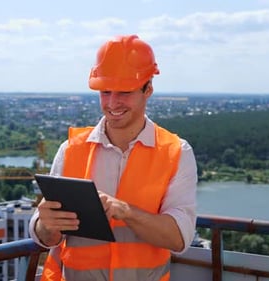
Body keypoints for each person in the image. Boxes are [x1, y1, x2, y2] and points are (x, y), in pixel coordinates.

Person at [29, 34, 197, 281]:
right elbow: (45, 236)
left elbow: (179, 238)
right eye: (105, 91)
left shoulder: (176, 153)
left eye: (124, 92)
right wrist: (45, 225)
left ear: (148, 89)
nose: (112, 103)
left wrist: (125, 211)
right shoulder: (71, 150)